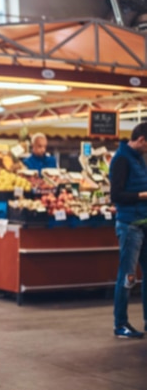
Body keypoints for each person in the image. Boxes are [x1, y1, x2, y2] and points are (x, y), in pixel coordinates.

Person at [109, 122, 147, 339]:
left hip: (144, 222)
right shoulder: (122, 159)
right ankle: (120, 324)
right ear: (141, 140)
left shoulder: (140, 158)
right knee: (127, 276)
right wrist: (142, 196)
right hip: (130, 225)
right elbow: (116, 195)